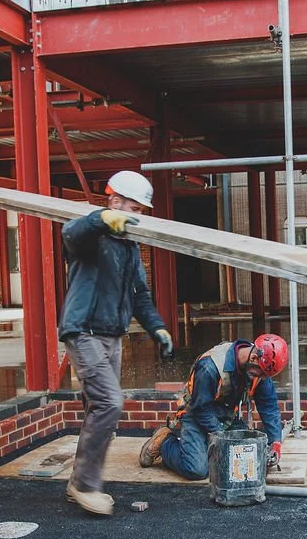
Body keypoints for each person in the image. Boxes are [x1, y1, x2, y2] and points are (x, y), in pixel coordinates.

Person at [60, 170, 174, 515]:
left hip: (111, 336)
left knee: (99, 408)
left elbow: (140, 294)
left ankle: (78, 481)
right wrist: (100, 219)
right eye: (133, 208)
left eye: (142, 210)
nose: (138, 215)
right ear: (114, 201)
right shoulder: (92, 236)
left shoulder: (129, 247)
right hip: (83, 331)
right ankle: (85, 485)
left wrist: (157, 327)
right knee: (110, 403)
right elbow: (71, 234)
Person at [139, 334, 288, 480]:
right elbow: (200, 408)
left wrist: (275, 442)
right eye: (260, 374)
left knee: (246, 459)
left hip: (227, 416)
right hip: (196, 414)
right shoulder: (210, 367)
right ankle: (165, 441)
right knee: (197, 470)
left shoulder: (261, 366)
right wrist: (221, 435)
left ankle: (208, 450)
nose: (261, 378)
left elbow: (269, 405)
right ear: (253, 357)